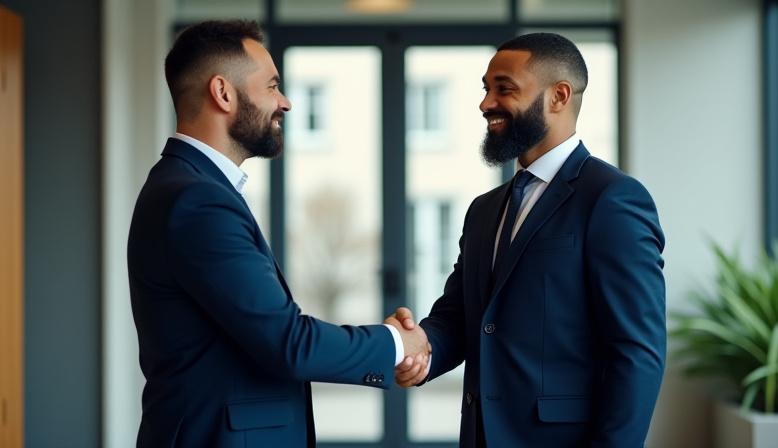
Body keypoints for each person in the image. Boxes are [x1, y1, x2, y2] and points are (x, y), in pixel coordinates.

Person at [127, 20, 429, 447]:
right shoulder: (198, 201)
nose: (285, 102)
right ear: (223, 93)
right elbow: (289, 343)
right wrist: (395, 343)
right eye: (271, 86)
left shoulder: (191, 187)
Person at [394, 33, 666, 447]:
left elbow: (637, 354)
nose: (486, 103)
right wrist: (419, 350)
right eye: (486, 89)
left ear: (558, 96)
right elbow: (462, 319)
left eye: (504, 88)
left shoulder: (612, 199)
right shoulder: (484, 210)